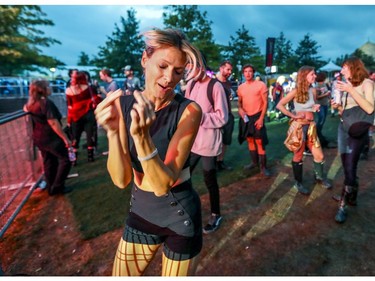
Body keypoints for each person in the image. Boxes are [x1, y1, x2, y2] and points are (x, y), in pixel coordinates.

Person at [94, 28, 204, 276]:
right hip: (141, 212)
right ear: (145, 60)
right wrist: (112, 133)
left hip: (179, 215)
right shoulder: (123, 104)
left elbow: (162, 184)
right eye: (162, 66)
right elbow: (121, 180)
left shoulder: (189, 111)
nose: (169, 78)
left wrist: (142, 137)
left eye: (178, 71)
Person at [185, 57, 228, 234]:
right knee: (182, 176)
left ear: (200, 66)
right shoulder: (191, 85)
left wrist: (200, 117)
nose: (188, 71)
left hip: (209, 142)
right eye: (187, 68)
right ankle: (185, 210)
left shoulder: (215, 86)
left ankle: (215, 214)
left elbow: (222, 117)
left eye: (191, 67)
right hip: (191, 141)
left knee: (209, 179)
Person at [330, 57, 374, 223]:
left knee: (350, 166)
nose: (341, 71)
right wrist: (337, 106)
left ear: (354, 68)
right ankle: (352, 196)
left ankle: (343, 205)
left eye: (344, 68)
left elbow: (370, 108)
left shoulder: (367, 84)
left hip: (358, 131)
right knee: (347, 165)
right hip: (343, 128)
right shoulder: (344, 85)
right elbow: (344, 111)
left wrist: (350, 90)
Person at [276, 66, 332, 195]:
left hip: (311, 126)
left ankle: (319, 177)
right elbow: (280, 105)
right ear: (304, 76)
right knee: (298, 155)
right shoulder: (295, 91)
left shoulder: (313, 90)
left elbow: (311, 106)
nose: (314, 76)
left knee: (319, 155)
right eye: (312, 74)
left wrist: (315, 107)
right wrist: (293, 115)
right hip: (299, 127)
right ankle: (298, 182)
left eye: (314, 74)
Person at [23, 79, 72, 196]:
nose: (50, 88)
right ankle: (57, 186)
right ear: (42, 90)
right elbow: (53, 123)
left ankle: (51, 187)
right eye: (48, 86)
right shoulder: (45, 103)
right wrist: (65, 138)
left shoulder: (30, 104)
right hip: (51, 137)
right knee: (65, 160)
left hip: (39, 137)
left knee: (49, 161)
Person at [238, 64, 271, 177]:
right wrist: (240, 109)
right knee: (250, 140)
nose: (248, 73)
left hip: (257, 116)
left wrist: (261, 118)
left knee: (259, 141)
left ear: (254, 73)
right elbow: (239, 102)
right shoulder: (241, 87)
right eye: (246, 71)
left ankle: (263, 167)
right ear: (243, 73)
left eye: (250, 71)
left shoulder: (261, 85)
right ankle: (254, 162)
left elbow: (266, 102)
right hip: (246, 118)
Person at [66, 71, 97, 163]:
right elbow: (95, 99)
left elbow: (69, 106)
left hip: (76, 115)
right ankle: (90, 157)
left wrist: (69, 119)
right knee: (89, 135)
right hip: (88, 114)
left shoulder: (69, 90)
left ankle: (73, 159)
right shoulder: (88, 88)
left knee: (75, 137)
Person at [215, 60, 235, 171]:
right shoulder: (213, 82)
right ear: (221, 68)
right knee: (216, 140)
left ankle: (220, 162)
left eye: (231, 70)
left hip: (228, 115)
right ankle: (213, 163)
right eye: (228, 69)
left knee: (225, 141)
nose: (230, 72)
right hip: (217, 116)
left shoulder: (228, 83)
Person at [314, 72, 331, 148]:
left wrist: (329, 98)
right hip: (320, 105)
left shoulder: (324, 84)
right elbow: (317, 97)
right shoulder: (317, 86)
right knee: (321, 120)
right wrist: (326, 94)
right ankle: (317, 134)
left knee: (323, 120)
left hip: (325, 104)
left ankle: (319, 134)